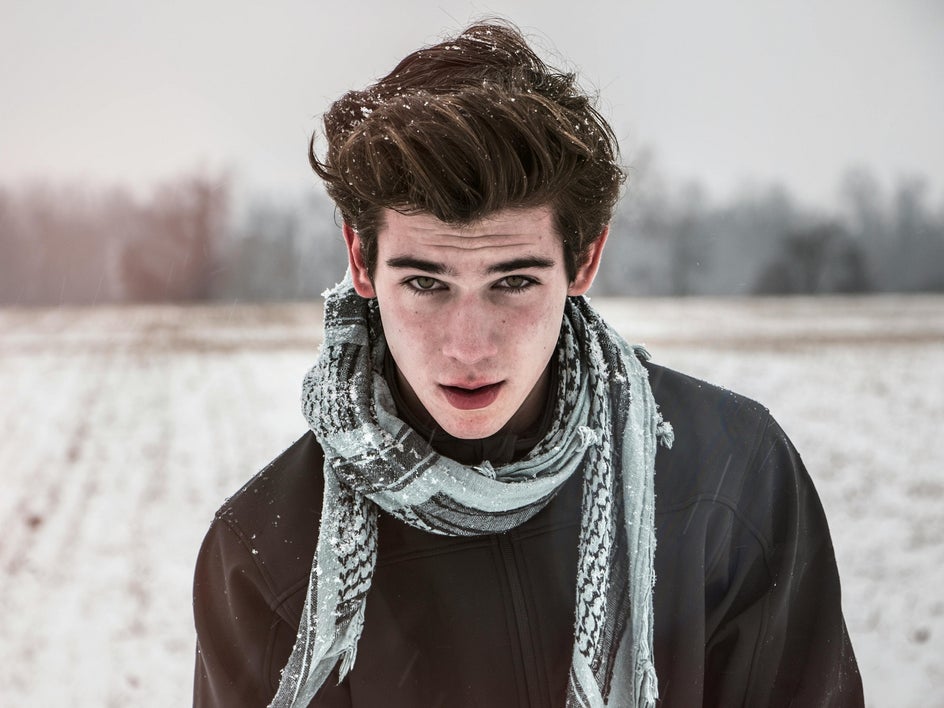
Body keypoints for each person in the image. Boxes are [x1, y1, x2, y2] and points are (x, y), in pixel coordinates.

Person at [192, 21, 864, 708]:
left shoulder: (730, 475)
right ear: (362, 261)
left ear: (585, 260)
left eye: (513, 282)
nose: (468, 345)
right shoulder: (266, 550)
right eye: (426, 283)